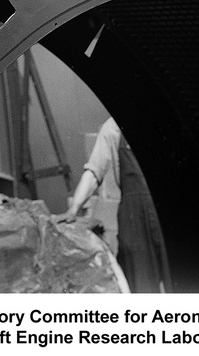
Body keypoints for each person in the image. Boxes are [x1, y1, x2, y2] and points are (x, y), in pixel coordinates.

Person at [61, 116, 172, 293]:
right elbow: (93, 172)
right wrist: (74, 208)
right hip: (134, 218)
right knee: (141, 290)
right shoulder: (112, 128)